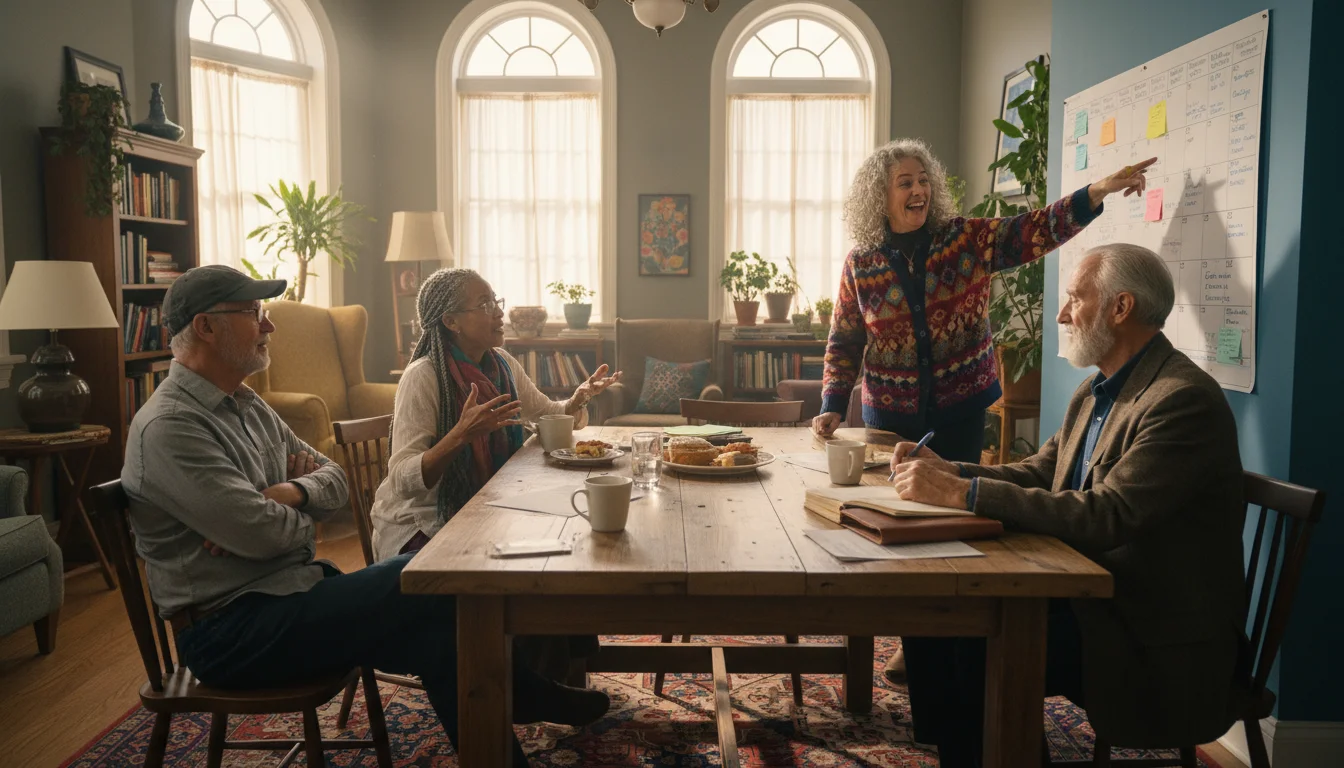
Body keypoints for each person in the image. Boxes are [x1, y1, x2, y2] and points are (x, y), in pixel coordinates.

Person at [122, 264, 610, 766]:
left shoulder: (246, 404)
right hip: (233, 631)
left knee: (443, 631)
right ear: (205, 327)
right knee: (439, 575)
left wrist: (288, 493)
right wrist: (275, 521)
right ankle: (529, 694)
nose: (268, 326)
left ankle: (519, 711)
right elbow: (264, 534)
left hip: (295, 591)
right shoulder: (171, 427)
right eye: (253, 313)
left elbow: (334, 482)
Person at [812, 137, 1156, 686]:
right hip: (888, 417)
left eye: (924, 181)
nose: (919, 190)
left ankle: (943, 636)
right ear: (880, 196)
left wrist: (1099, 192)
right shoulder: (862, 264)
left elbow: (1036, 229)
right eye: (906, 183)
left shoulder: (967, 240)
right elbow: (845, 340)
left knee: (948, 531)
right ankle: (915, 636)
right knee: (889, 527)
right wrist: (832, 403)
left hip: (958, 409)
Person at [888, 244, 1247, 767]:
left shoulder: (1181, 400)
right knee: (939, 617)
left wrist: (964, 494)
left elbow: (1106, 516)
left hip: (1147, 633)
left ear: (1120, 308)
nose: (1061, 314)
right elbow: (1041, 472)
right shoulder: (1095, 390)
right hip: (1092, 598)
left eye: (1075, 299)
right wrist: (952, 471)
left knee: (971, 638)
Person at [370, 267, 621, 561]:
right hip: (422, 521)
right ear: (451, 321)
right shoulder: (423, 377)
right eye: (485, 305)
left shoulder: (502, 364)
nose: (499, 314)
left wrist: (578, 399)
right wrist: (460, 436)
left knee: (568, 545)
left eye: (496, 302)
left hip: (486, 506)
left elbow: (546, 414)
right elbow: (401, 479)